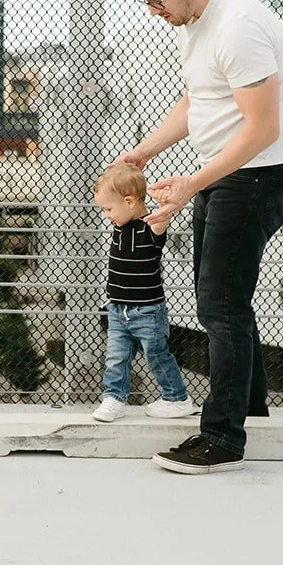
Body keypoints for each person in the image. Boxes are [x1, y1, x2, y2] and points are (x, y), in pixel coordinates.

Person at [117, 0, 283, 475]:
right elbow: (199, 100)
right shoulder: (195, 23)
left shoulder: (237, 26)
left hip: (255, 177)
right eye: (146, 5)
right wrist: (146, 150)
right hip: (224, 176)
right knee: (224, 299)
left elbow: (262, 129)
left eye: (158, 3)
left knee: (219, 304)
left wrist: (194, 182)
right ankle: (248, 411)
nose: (155, 14)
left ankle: (222, 440)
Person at [90, 163, 196, 423]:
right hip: (118, 308)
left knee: (156, 354)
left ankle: (177, 398)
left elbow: (161, 220)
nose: (107, 215)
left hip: (147, 311)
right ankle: (114, 398)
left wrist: (163, 206)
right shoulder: (120, 226)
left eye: (108, 209)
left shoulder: (151, 226)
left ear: (128, 202)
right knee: (116, 356)